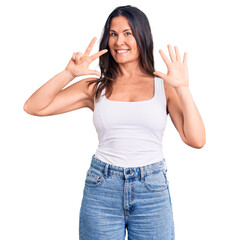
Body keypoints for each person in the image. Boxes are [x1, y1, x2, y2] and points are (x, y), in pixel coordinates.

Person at [23, 5, 206, 240]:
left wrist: (182, 88)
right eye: (113, 33)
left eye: (128, 33)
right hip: (102, 188)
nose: (119, 41)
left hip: (151, 189)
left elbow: (197, 139)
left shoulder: (165, 86)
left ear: (142, 36)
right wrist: (68, 73)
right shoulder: (96, 87)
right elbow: (33, 106)